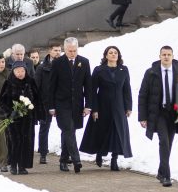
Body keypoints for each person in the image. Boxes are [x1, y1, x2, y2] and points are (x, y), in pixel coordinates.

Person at [139, 45, 178, 187]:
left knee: (169, 144)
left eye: (168, 54)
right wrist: (143, 116)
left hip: (174, 114)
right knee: (164, 142)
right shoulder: (151, 73)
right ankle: (166, 176)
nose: (166, 57)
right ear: (159, 56)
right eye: (163, 54)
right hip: (158, 113)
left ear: (173, 56)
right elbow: (143, 95)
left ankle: (160, 171)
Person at [81, 46, 133, 170]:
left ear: (118, 55)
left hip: (119, 106)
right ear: (106, 56)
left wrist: (128, 107)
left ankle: (114, 160)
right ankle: (99, 153)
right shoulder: (99, 70)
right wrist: (94, 109)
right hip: (103, 105)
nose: (113, 54)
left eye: (116, 53)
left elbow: (127, 89)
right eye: (111, 53)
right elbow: (93, 91)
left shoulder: (123, 69)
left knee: (117, 133)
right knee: (102, 132)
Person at [46, 37, 93, 173]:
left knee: (68, 131)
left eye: (74, 50)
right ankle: (76, 160)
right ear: (65, 50)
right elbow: (52, 86)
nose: (72, 53)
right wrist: (51, 106)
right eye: (69, 51)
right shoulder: (58, 63)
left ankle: (63, 160)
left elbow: (88, 85)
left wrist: (88, 105)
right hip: (61, 103)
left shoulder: (84, 62)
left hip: (77, 103)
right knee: (68, 128)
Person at [0, 62, 42, 175]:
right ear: (13, 72)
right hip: (13, 118)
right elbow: (2, 101)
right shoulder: (8, 83)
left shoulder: (30, 82)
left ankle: (23, 166)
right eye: (17, 71)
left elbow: (37, 98)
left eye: (22, 71)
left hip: (28, 118)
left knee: (26, 141)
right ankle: (13, 165)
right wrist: (10, 112)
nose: (20, 73)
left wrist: (36, 112)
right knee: (14, 141)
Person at [34, 44, 60, 164]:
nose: (58, 52)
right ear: (50, 51)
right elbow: (36, 86)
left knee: (66, 128)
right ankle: (43, 153)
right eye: (55, 50)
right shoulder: (41, 68)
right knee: (44, 128)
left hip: (60, 101)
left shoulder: (63, 65)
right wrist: (38, 103)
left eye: (59, 50)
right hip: (45, 102)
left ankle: (67, 154)